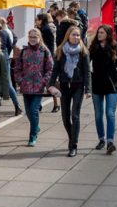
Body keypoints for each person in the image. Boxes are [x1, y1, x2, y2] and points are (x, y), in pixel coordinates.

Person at [48, 25, 91, 157]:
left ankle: (73, 145)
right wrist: (50, 85)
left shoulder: (83, 51)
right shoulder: (60, 50)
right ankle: (72, 137)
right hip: (64, 86)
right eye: (74, 35)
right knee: (65, 117)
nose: (76, 37)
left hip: (78, 86)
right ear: (68, 36)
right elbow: (55, 70)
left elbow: (87, 72)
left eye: (78, 35)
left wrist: (88, 89)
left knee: (75, 115)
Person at [89, 25, 117, 154]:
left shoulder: (115, 47)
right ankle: (101, 139)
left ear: (108, 34)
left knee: (110, 113)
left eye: (102, 33)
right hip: (97, 84)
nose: (99, 35)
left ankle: (110, 141)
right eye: (98, 32)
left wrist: (115, 77)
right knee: (98, 114)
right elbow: (86, 63)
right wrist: (90, 77)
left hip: (111, 85)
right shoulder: (94, 47)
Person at [13, 28, 54, 146]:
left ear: (39, 38)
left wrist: (44, 81)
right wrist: (20, 80)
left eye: (35, 37)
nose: (32, 39)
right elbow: (17, 68)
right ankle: (36, 126)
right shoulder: (23, 51)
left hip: (38, 86)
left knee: (34, 110)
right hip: (25, 86)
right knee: (28, 111)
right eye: (30, 37)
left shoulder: (44, 51)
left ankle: (32, 136)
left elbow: (50, 68)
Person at [0, 14, 22, 116]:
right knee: (7, 83)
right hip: (5, 58)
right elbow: (10, 46)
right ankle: (17, 105)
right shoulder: (5, 32)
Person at [36, 13, 60, 113]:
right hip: (43, 59)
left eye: (37, 19)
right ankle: (39, 104)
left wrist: (47, 58)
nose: (35, 21)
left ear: (41, 20)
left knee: (49, 83)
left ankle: (56, 104)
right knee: (42, 83)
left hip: (46, 59)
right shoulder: (43, 29)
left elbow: (50, 46)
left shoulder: (46, 30)